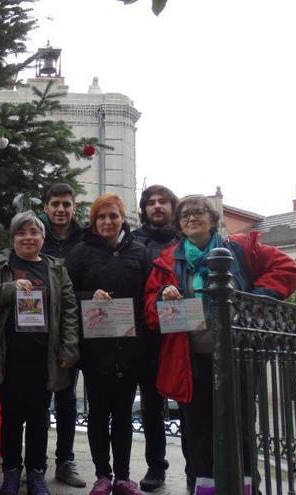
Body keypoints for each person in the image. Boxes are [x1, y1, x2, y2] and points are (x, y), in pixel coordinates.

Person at [144, 195, 296, 495]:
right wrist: (163, 296)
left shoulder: (241, 248)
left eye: (199, 212)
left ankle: (244, 489)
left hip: (238, 356)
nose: (192, 217)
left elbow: (287, 269)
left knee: (240, 428)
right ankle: (202, 489)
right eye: (185, 214)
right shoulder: (166, 261)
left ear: (212, 218)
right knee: (198, 432)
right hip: (191, 360)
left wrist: (253, 301)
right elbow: (150, 313)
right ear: (178, 223)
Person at [0, 210, 79, 495]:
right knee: (10, 417)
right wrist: (10, 288)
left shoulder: (56, 269)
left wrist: (69, 349)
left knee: (38, 418)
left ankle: (36, 473)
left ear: (43, 237)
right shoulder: (1, 263)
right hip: (9, 356)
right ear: (13, 238)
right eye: (22, 232)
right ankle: (11, 473)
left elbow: (69, 311)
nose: (28, 237)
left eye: (34, 232)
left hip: (44, 357)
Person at [66, 193, 151, 495]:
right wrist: (89, 296)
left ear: (122, 218)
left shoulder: (139, 252)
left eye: (113, 216)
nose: (107, 222)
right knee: (98, 414)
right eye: (101, 217)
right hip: (96, 348)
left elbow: (148, 294)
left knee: (125, 414)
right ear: (94, 221)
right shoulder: (81, 252)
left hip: (129, 347)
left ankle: (124, 478)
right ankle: (103, 476)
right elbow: (66, 293)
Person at [130, 184, 180, 491]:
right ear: (144, 209)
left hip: (180, 331)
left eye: (163, 201)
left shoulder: (184, 239)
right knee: (150, 404)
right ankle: (156, 466)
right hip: (145, 332)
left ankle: (196, 469)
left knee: (188, 404)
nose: (157, 206)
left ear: (172, 207)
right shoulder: (134, 243)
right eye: (151, 202)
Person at [39, 183, 86, 488]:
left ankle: (65, 461)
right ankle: (36, 463)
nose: (60, 209)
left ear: (73, 207)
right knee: (39, 400)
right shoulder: (35, 235)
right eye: (55, 203)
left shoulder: (85, 240)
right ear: (45, 207)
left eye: (66, 204)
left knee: (67, 399)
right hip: (39, 329)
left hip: (73, 328)